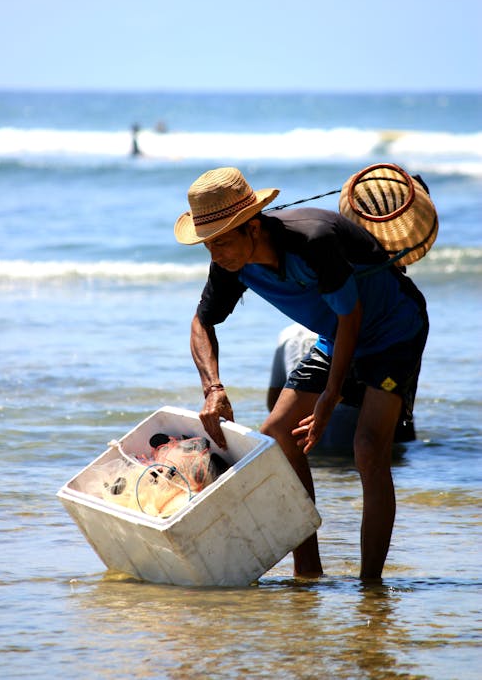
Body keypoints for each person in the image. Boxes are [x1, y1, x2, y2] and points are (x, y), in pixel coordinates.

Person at [174, 167, 429, 580]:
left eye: (221, 240)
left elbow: (352, 316)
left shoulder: (312, 242)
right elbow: (202, 322)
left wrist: (330, 397)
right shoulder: (230, 263)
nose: (215, 253)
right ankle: (308, 573)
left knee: (367, 449)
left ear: (252, 227)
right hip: (338, 335)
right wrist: (213, 389)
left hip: (391, 333)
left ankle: (370, 585)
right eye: (208, 244)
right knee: (277, 432)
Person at [268, 324, 417, 447]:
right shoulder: (378, 328)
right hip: (367, 435)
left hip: (310, 440)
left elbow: (274, 401)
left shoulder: (290, 333)